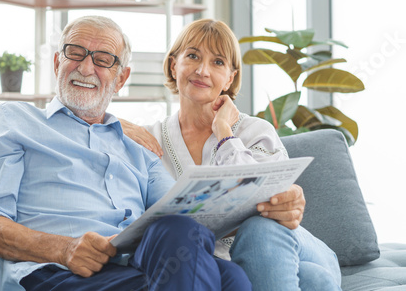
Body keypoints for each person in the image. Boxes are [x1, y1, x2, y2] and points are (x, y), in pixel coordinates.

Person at [0, 16, 252, 291]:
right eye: (75, 53)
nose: (86, 68)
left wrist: (261, 200)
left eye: (103, 60)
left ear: (121, 79)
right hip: (56, 274)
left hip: (131, 269)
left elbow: (186, 215)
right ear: (56, 63)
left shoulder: (139, 146)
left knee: (226, 272)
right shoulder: (15, 119)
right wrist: (65, 249)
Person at [120, 18, 342, 290]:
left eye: (217, 62)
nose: (202, 70)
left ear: (230, 77)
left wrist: (225, 133)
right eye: (192, 56)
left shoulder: (256, 131)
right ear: (173, 64)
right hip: (217, 268)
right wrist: (111, 122)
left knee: (260, 229)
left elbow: (261, 201)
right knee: (312, 279)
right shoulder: (146, 139)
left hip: (285, 244)